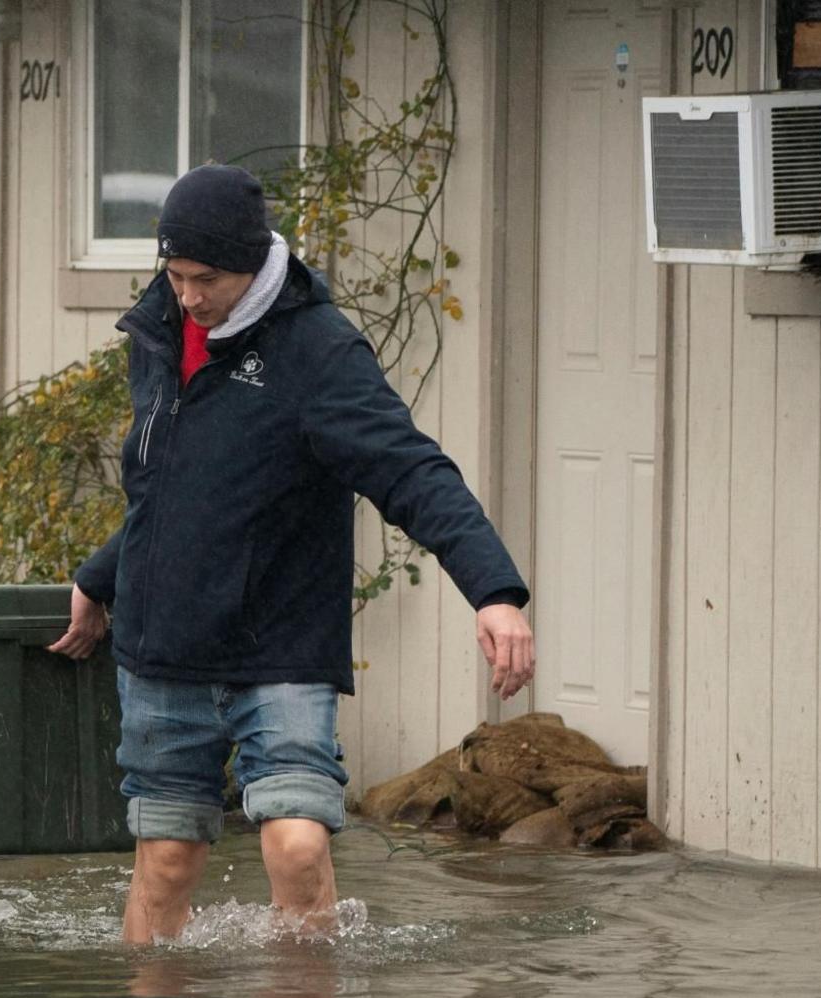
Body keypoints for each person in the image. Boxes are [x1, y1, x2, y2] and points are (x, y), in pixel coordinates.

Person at [48, 164, 535, 943]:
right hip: (165, 643)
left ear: (254, 261)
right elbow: (178, 486)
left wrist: (494, 590)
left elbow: (411, 469)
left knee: (297, 847)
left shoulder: (318, 352)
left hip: (280, 645)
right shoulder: (161, 333)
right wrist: (100, 579)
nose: (188, 297)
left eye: (206, 278)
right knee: (167, 861)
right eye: (174, 275)